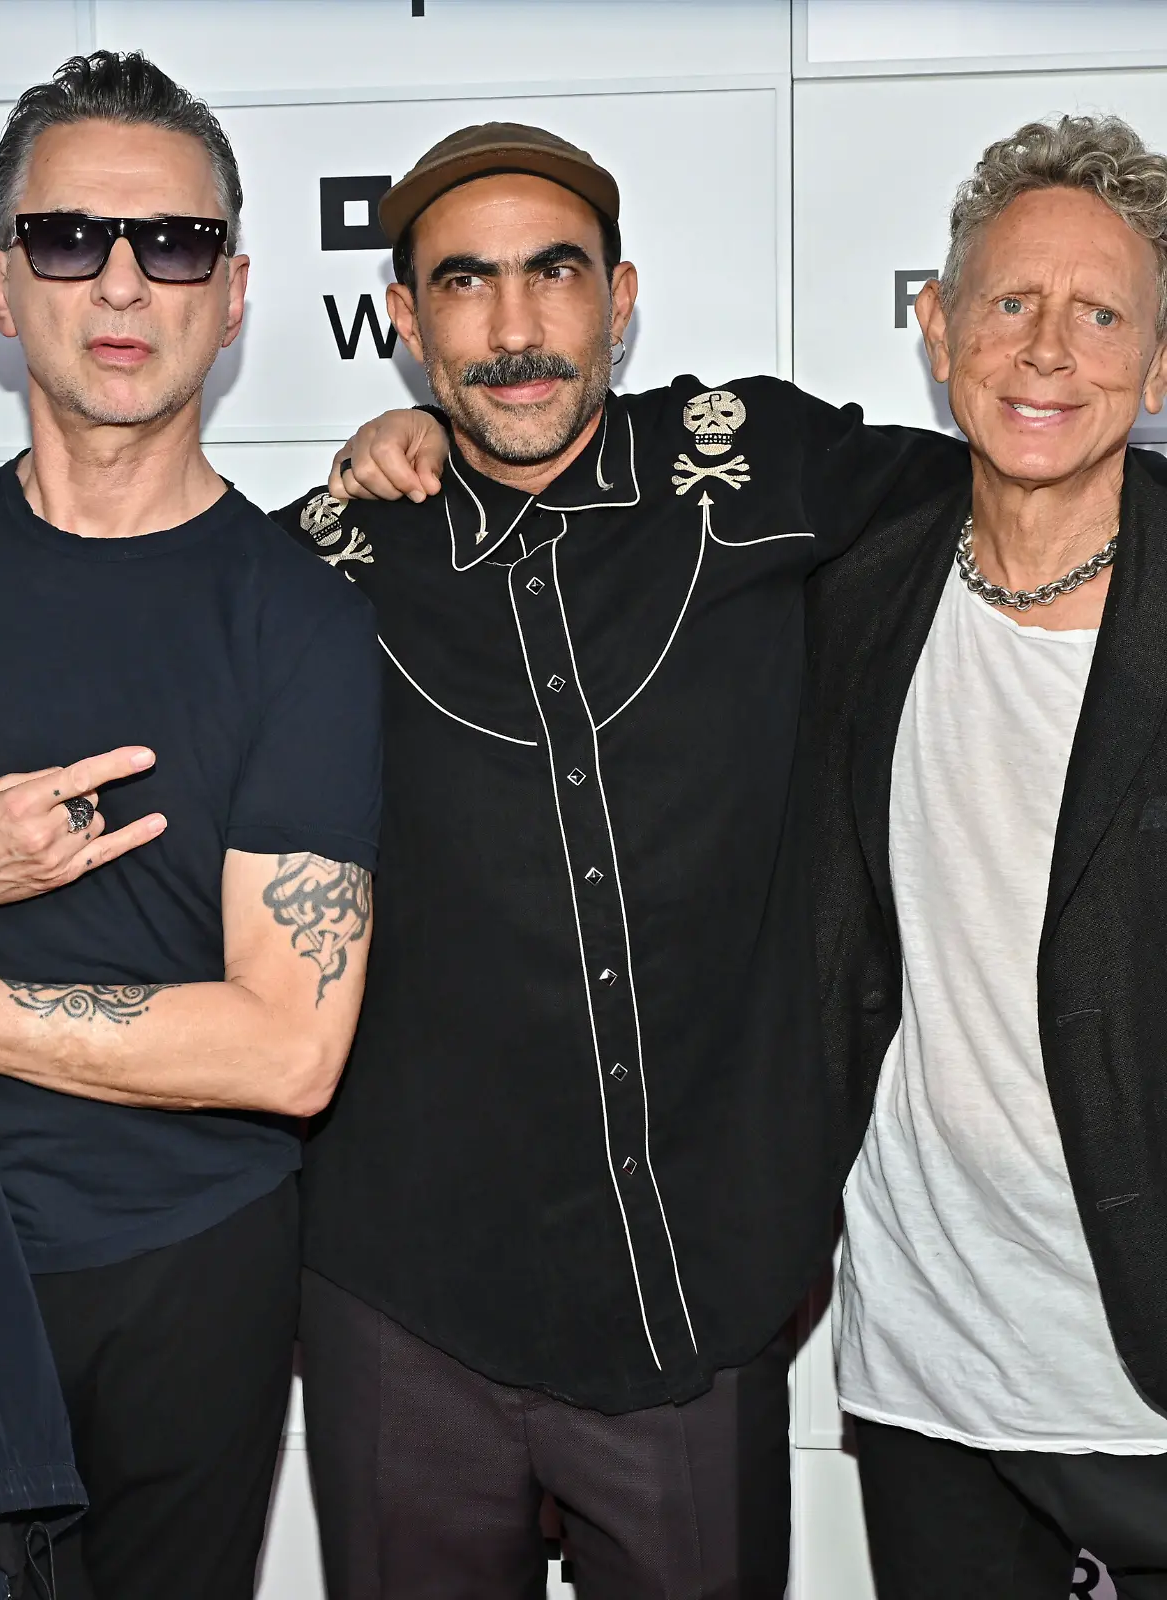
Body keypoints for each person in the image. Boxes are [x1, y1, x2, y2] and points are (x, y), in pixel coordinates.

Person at [276, 120, 963, 1598]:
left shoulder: (758, 464)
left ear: (622, 296)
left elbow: (1033, 490)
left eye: (554, 275)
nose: (514, 328)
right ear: (403, 321)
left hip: (694, 1303)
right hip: (403, 1301)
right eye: (464, 285)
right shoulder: (323, 560)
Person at [0, 51, 383, 1600]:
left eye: (177, 243)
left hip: (185, 1268)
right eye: (69, 239)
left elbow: (286, 1049)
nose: (124, 281)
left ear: (236, 290)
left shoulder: (302, 622)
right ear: (4, 286)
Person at [806, 115, 1167, 1598]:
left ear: (1156, 364)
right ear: (936, 324)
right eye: (1011, 303)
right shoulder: (852, 565)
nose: (1048, 353)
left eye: (1102, 316)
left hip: (1140, 1378)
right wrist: (416, 438)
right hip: (923, 1367)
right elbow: (596, 463)